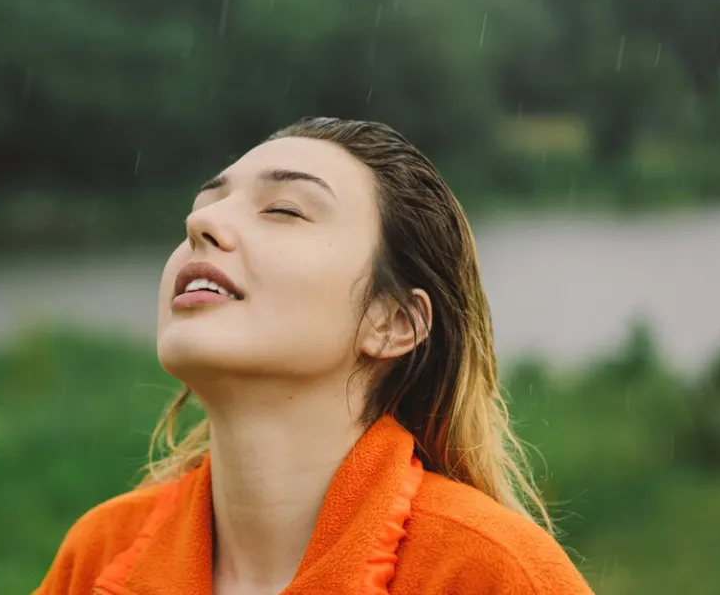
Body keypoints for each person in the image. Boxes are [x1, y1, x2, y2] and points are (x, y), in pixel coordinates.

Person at [33, 117, 595, 595]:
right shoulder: (98, 555)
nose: (200, 223)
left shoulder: (492, 571)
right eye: (205, 205)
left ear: (393, 321)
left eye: (283, 210)